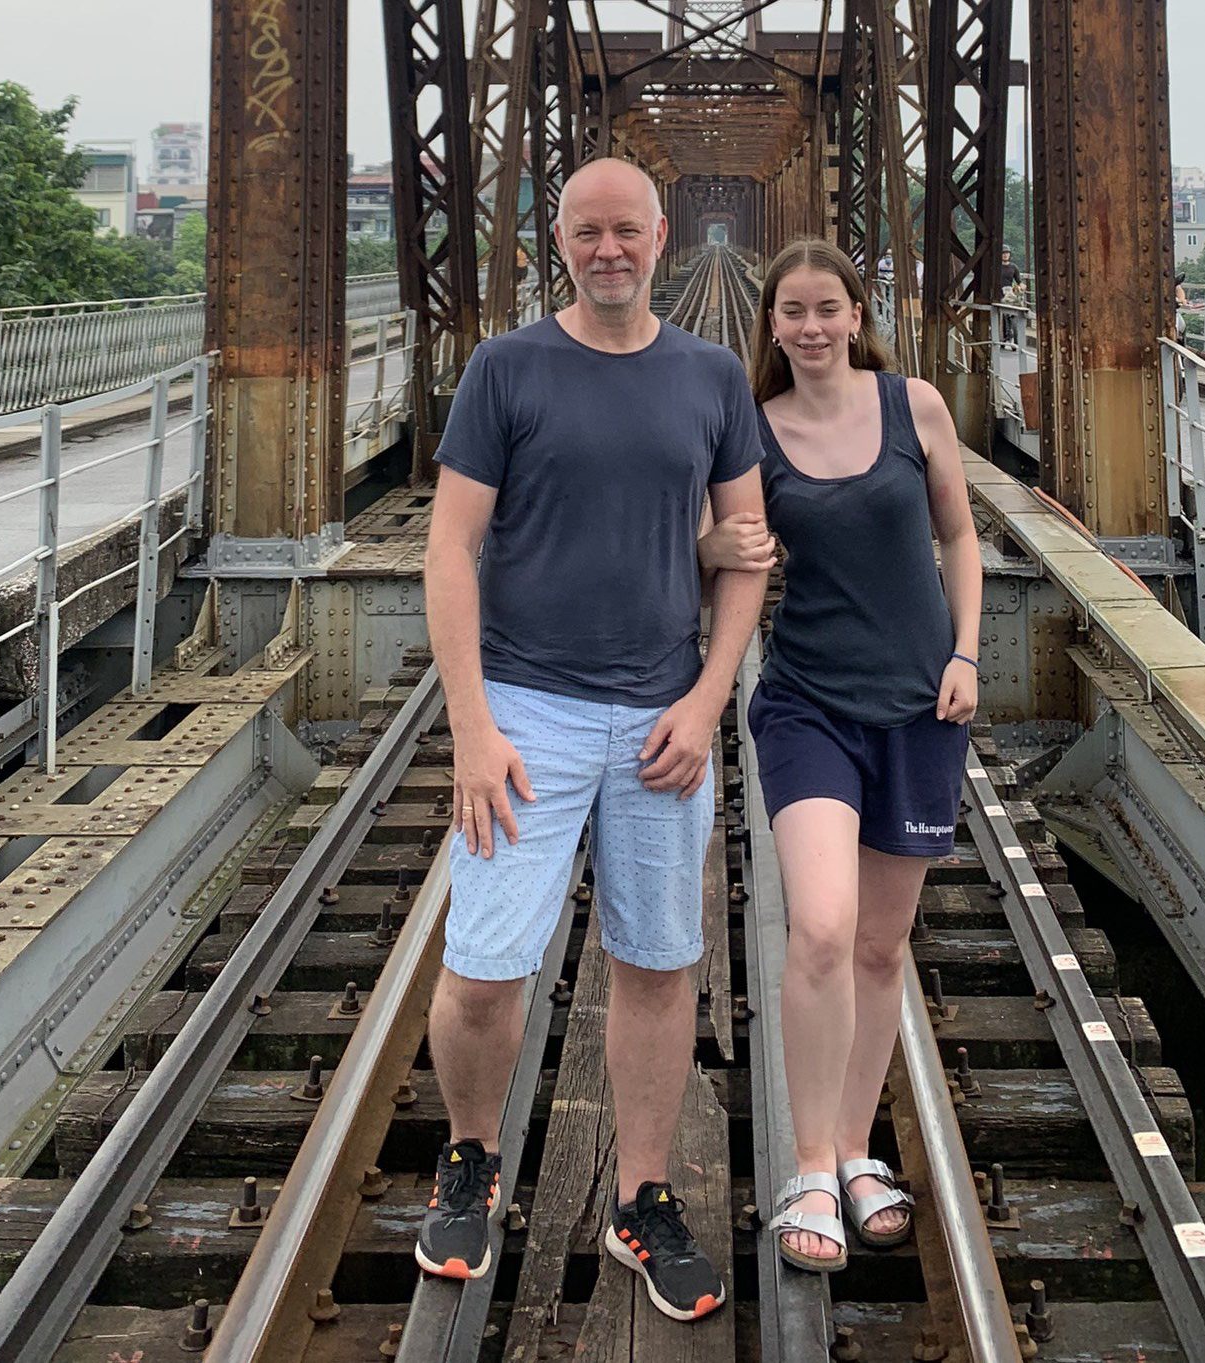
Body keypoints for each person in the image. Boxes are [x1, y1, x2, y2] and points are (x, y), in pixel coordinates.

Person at [418, 158, 769, 1321]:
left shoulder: (712, 375)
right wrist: (471, 723)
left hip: (664, 708)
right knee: (483, 966)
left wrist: (711, 696)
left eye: (626, 229)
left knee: (660, 963)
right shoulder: (506, 368)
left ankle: (642, 1192)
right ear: (554, 241)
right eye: (585, 231)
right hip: (527, 706)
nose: (607, 248)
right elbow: (450, 550)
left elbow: (746, 548)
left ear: (662, 236)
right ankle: (470, 1156)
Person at [700, 238, 981, 1272]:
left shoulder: (917, 406)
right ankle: (810, 1163)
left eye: (829, 308)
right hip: (809, 703)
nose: (811, 327)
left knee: (879, 947)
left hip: (919, 706)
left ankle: (861, 1152)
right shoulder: (753, 433)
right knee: (821, 926)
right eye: (793, 312)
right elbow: (714, 544)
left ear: (856, 315)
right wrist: (711, 549)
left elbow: (958, 535)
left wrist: (967, 651)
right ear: (769, 326)